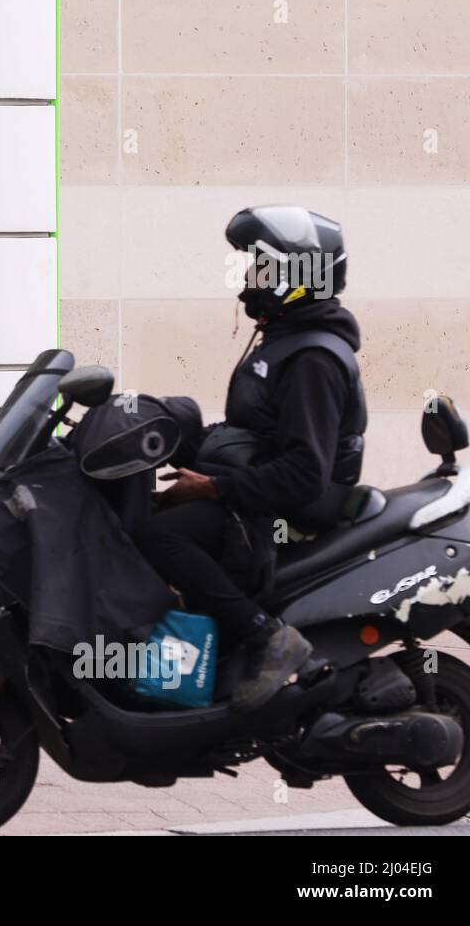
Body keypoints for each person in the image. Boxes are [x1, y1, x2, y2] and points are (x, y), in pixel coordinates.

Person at [133, 206, 366, 711]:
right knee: (137, 514)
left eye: (261, 266)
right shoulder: (284, 343)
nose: (247, 276)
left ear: (297, 276)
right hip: (255, 494)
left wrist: (212, 488)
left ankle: (264, 637)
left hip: (284, 512)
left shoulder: (312, 359)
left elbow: (305, 474)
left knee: (157, 535)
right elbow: (255, 433)